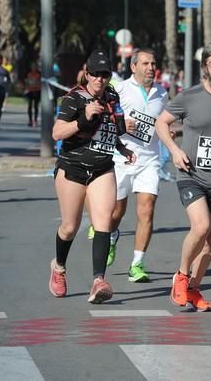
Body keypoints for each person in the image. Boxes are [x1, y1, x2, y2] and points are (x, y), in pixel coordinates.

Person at [156, 42, 211, 312]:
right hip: (191, 174)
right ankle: (181, 277)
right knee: (200, 226)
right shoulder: (189, 96)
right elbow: (162, 123)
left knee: (208, 246)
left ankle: (194, 289)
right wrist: (173, 151)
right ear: (205, 67)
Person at [48, 50, 136, 303]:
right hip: (72, 169)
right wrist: (83, 119)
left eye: (104, 74)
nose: (99, 79)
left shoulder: (112, 96)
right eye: (95, 74)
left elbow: (109, 130)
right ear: (87, 74)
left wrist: (122, 149)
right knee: (70, 227)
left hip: (102, 168)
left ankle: (99, 281)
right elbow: (57, 133)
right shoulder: (74, 98)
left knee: (103, 223)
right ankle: (59, 267)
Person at [105, 48, 168, 282]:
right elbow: (105, 119)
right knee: (116, 212)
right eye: (145, 63)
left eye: (153, 63)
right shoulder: (119, 90)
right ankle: (111, 237)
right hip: (121, 158)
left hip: (149, 160)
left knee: (146, 209)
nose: (151, 67)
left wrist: (168, 131)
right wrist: (121, 125)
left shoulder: (162, 94)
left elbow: (164, 123)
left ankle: (137, 264)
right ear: (133, 67)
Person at [24, 63, 42, 127]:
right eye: (33, 66)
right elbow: (26, 81)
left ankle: (35, 120)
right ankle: (30, 120)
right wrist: (26, 88)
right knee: (29, 106)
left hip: (37, 91)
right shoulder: (28, 73)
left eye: (35, 66)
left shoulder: (39, 73)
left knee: (36, 106)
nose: (34, 67)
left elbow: (41, 81)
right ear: (31, 67)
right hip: (30, 91)